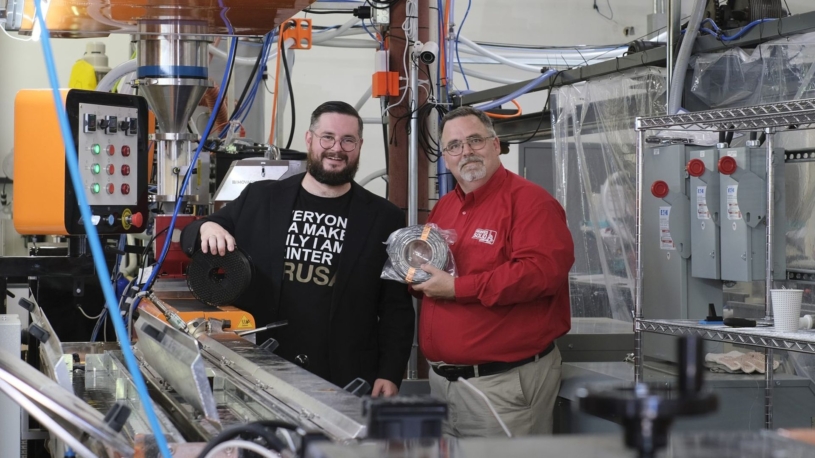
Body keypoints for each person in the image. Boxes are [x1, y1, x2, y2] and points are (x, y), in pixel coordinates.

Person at [180, 101, 414, 397]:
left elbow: (396, 307)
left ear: (359, 145)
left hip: (347, 374)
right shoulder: (261, 198)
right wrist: (206, 227)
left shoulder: (383, 217)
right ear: (309, 139)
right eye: (327, 137)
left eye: (348, 140)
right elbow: (190, 235)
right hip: (264, 365)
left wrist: (390, 372)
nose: (336, 148)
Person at [413, 106, 574, 435]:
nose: (466, 152)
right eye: (454, 145)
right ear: (445, 158)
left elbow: (541, 273)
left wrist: (458, 288)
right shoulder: (445, 206)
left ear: (495, 144)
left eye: (475, 140)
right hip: (443, 385)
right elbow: (432, 269)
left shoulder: (531, 203)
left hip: (502, 386)